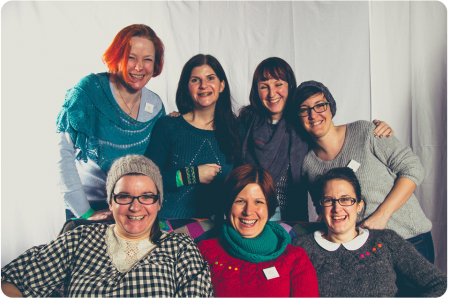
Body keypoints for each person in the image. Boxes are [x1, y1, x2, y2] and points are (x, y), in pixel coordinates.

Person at [0, 155, 213, 298]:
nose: (135, 207)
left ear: (158, 202)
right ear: (110, 203)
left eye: (146, 197)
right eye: (124, 196)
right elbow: (13, 280)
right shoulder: (80, 238)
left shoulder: (180, 247)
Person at [293, 80, 434, 263]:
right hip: (367, 255)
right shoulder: (309, 165)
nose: (313, 114)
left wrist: (382, 215)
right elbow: (326, 213)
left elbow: (412, 169)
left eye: (320, 105)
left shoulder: (366, 132)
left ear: (330, 107)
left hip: (409, 240)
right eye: (305, 109)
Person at [240, 57, 393, 221]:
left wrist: (377, 128)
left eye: (278, 84)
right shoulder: (245, 124)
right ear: (256, 91)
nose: (272, 93)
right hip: (251, 216)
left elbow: (330, 134)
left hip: (293, 220)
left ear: (290, 86)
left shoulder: (303, 123)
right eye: (264, 86)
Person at [56, 24, 166, 221]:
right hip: (88, 206)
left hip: (133, 209)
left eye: (147, 59)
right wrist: (85, 213)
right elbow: (63, 156)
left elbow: (156, 162)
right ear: (117, 56)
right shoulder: (88, 92)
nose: (139, 67)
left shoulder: (155, 105)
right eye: (131, 57)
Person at [292, 167, 448, 298]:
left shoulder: (386, 241)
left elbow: (441, 284)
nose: (337, 208)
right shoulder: (301, 248)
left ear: (359, 205)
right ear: (320, 207)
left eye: (345, 199)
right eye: (329, 200)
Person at [197, 165, 319, 298]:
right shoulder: (205, 252)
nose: (248, 211)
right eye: (240, 201)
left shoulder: (295, 259)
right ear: (228, 206)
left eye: (258, 202)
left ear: (270, 208)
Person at [144, 54, 242, 219]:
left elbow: (243, 182)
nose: (204, 85)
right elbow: (144, 181)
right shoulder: (168, 126)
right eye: (195, 80)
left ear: (222, 85)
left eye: (210, 78)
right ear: (186, 88)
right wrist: (189, 175)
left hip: (217, 229)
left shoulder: (237, 129)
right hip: (169, 226)